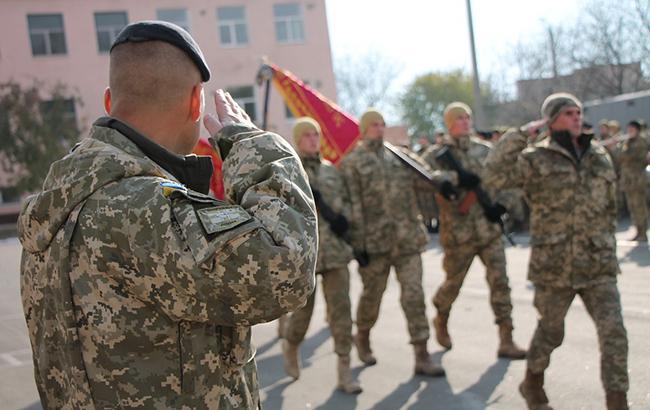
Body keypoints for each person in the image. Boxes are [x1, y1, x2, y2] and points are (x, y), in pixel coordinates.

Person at [18, 21, 317, 409]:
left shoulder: (53, 203)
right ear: (196, 102)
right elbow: (286, 267)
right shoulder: (145, 208)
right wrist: (254, 146)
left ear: (109, 102)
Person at [484, 93, 629, 410]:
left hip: (598, 264)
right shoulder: (534, 159)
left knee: (614, 334)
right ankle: (532, 383)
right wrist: (523, 133)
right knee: (551, 333)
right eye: (567, 113)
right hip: (555, 265)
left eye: (578, 112)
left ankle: (617, 402)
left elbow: (608, 207)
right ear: (551, 120)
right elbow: (492, 173)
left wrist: (606, 243)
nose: (576, 117)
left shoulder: (599, 156)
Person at [339, 109, 448, 377]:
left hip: (408, 238)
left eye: (382, 124)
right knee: (372, 296)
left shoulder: (399, 156)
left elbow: (428, 177)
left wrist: (449, 180)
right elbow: (351, 205)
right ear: (364, 130)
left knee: (414, 295)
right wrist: (357, 244)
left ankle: (422, 354)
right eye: (374, 125)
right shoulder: (353, 162)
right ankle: (362, 334)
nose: (379, 128)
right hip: (375, 243)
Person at [420, 102, 527, 360]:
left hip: (489, 229)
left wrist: (502, 206)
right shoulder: (436, 154)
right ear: (449, 124)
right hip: (459, 232)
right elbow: (422, 178)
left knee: (500, 282)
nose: (465, 122)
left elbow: (511, 181)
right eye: (459, 118)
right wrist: (455, 179)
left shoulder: (486, 151)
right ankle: (441, 316)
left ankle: (507, 338)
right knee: (453, 284)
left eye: (467, 117)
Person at [280, 117, 362, 394]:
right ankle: (291, 345)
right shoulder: (289, 171)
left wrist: (345, 219)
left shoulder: (331, 171)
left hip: (336, 253)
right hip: (306, 257)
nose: (314, 139)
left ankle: (345, 371)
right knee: (303, 313)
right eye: (308, 135)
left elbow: (347, 201)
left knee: (342, 312)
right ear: (298, 139)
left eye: (316, 134)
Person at [618, 120, 649, 241]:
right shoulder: (628, 142)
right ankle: (638, 230)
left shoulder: (640, 142)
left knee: (639, 206)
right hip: (628, 180)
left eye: (631, 130)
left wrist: (623, 145)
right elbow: (619, 157)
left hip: (638, 180)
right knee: (632, 207)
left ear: (637, 130)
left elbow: (631, 156)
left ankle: (643, 232)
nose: (629, 132)